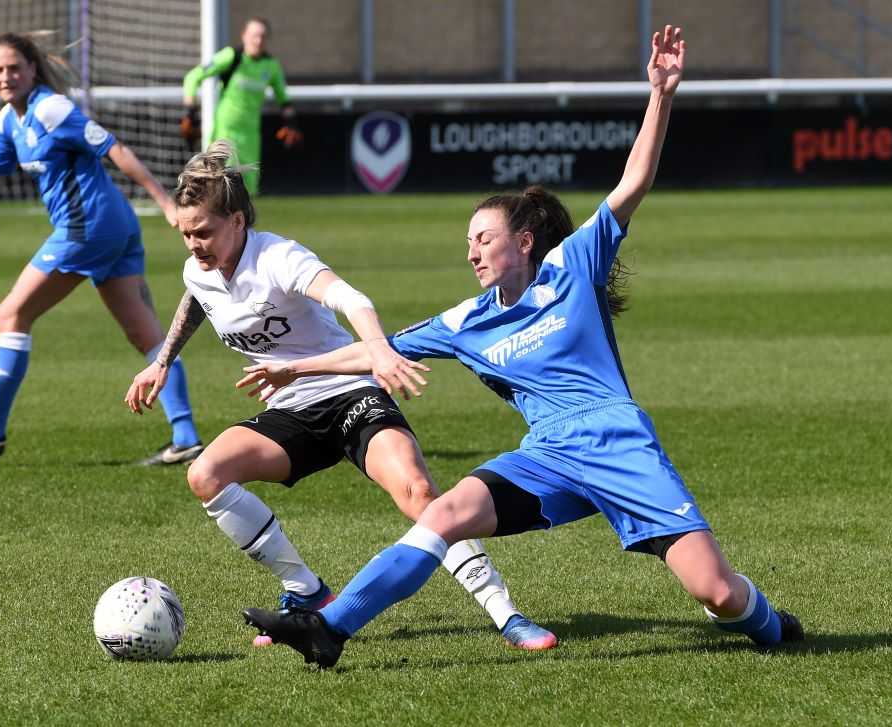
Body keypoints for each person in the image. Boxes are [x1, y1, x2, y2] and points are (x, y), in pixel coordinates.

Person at [240, 26, 805, 668]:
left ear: (525, 242)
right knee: (444, 512)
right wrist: (296, 368)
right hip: (549, 456)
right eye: (468, 242)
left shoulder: (574, 266)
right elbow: (380, 349)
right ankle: (330, 627)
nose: (472, 250)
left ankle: (773, 625)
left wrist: (661, 95)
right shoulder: (468, 320)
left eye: (484, 238)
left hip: (617, 442)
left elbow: (634, 181)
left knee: (719, 593)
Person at [124, 140, 555, 650]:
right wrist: (162, 360)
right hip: (290, 409)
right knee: (206, 474)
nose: (194, 245)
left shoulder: (278, 257)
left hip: (350, 392)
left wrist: (379, 351)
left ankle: (506, 615)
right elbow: (198, 297)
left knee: (418, 493)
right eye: (187, 234)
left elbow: (353, 299)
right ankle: (306, 593)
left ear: (238, 221)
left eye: (204, 232)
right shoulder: (198, 268)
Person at [0, 31, 203, 465]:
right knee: (146, 334)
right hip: (114, 228)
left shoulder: (51, 108)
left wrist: (165, 202)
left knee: (11, 313)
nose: (6, 77)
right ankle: (186, 438)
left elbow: (114, 147)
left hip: (90, 228)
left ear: (31, 70)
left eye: (14, 68)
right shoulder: (10, 119)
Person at [180, 16, 302, 196]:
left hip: (251, 134)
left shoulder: (271, 66)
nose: (258, 40)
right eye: (254, 35)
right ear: (244, 36)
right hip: (225, 131)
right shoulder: (231, 56)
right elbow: (192, 77)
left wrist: (292, 124)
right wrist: (190, 114)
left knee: (248, 189)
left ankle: (243, 224)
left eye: (262, 36)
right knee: (221, 185)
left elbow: (284, 99)